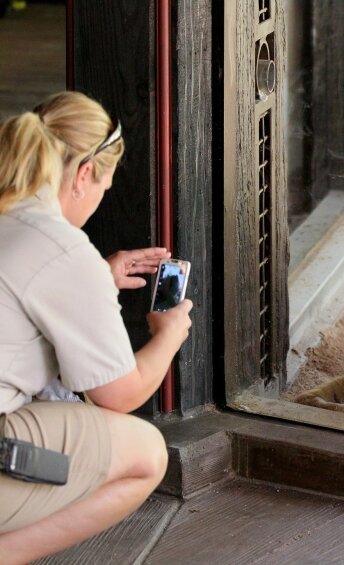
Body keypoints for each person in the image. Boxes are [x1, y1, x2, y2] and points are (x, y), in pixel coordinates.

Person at [0, 91, 193, 564]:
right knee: (146, 452)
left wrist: (96, 278)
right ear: (85, 174)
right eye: (105, 187)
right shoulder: (63, 248)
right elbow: (119, 395)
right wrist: (168, 336)